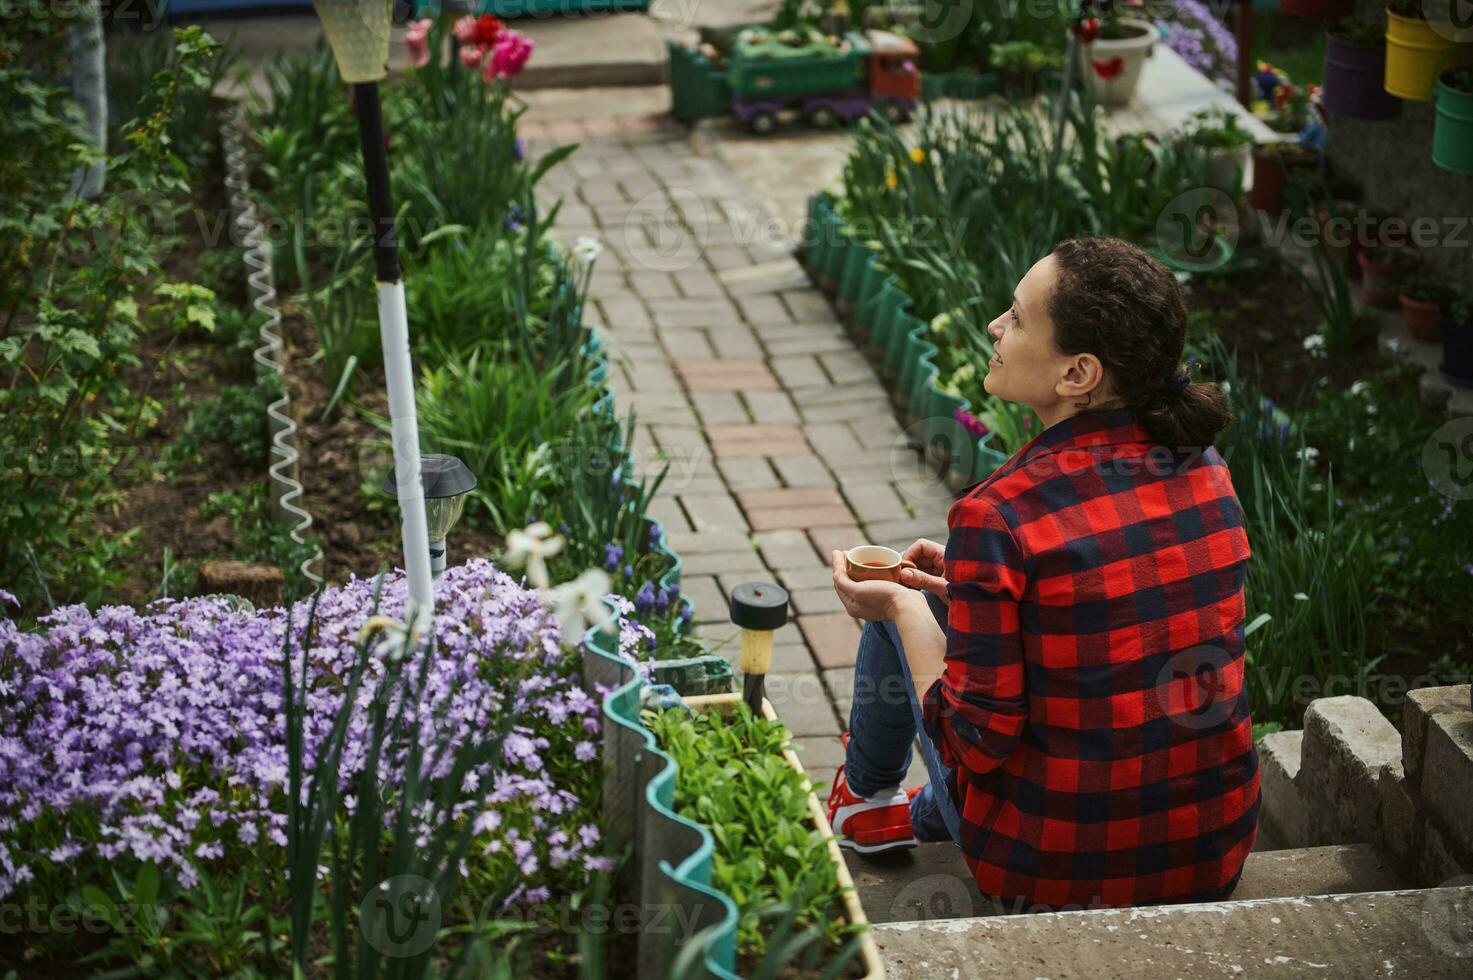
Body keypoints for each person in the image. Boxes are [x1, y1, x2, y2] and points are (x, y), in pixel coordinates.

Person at [824, 237, 1260, 911]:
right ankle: (901, 814)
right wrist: (964, 587)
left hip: (1054, 874)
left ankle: (860, 803)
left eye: (1018, 318)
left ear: (1078, 374)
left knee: (901, 602)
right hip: (1209, 853)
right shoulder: (1204, 470)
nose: (995, 327)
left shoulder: (999, 515)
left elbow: (972, 741)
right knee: (926, 592)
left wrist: (902, 610)